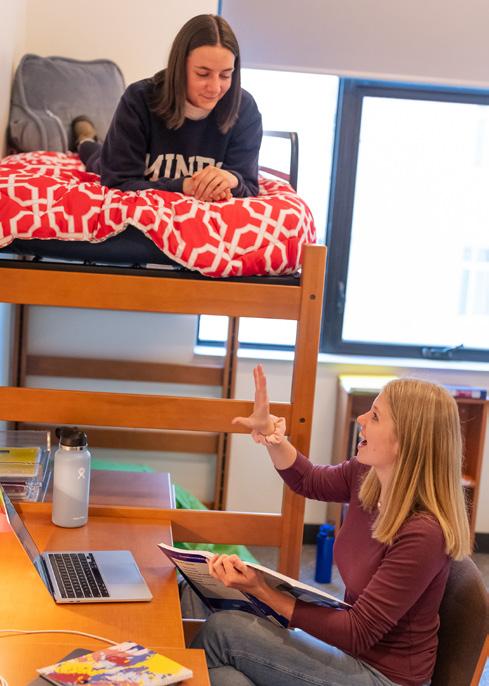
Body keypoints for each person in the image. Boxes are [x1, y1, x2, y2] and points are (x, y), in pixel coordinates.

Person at [191, 364, 471, 686]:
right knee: (225, 678)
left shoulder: (424, 532)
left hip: (384, 677)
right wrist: (270, 434)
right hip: (351, 654)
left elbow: (357, 632)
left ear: (405, 442)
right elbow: (308, 479)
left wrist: (261, 590)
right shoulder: (367, 477)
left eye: (375, 416)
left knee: (224, 630)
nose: (361, 419)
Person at [72, 13, 262, 202]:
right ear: (179, 68)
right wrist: (183, 186)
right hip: (118, 161)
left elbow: (249, 185)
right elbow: (117, 181)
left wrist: (233, 179)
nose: (215, 88)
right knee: (96, 158)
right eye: (203, 74)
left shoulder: (245, 109)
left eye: (225, 75)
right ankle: (85, 138)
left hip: (157, 181)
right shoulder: (139, 99)